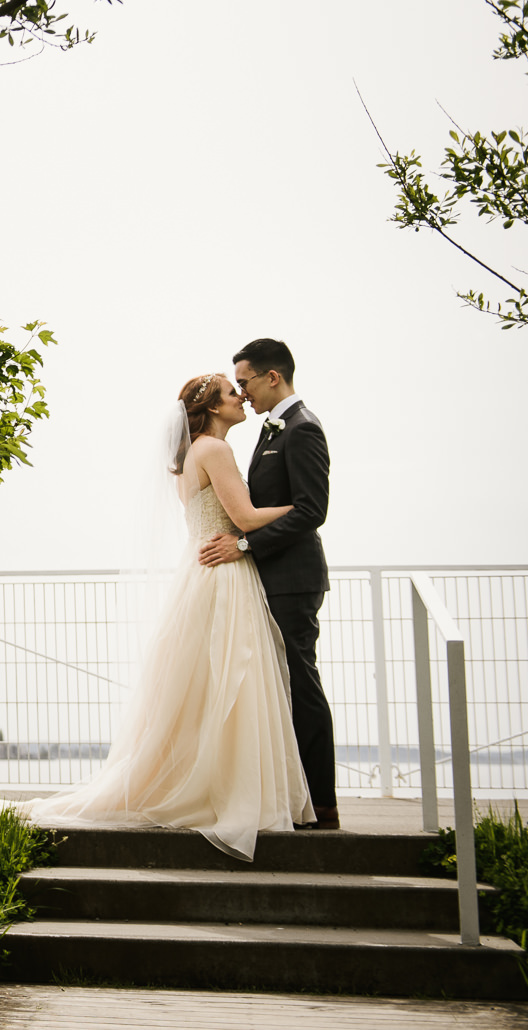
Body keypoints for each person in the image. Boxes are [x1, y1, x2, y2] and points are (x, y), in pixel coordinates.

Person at [12, 373, 314, 861]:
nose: (241, 398)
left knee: (206, 688)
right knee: (232, 682)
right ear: (213, 408)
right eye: (232, 393)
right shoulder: (214, 450)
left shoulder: (186, 457)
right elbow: (245, 518)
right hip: (223, 575)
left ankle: (206, 781)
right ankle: (227, 790)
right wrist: (303, 508)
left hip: (199, 573)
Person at [199, 339, 337, 829]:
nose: (244, 393)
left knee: (300, 684)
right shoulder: (270, 429)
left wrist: (242, 547)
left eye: (246, 382)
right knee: (277, 689)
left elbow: (311, 511)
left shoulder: (302, 429)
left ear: (272, 377)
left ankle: (322, 803)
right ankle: (288, 795)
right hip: (268, 578)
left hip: (294, 580)